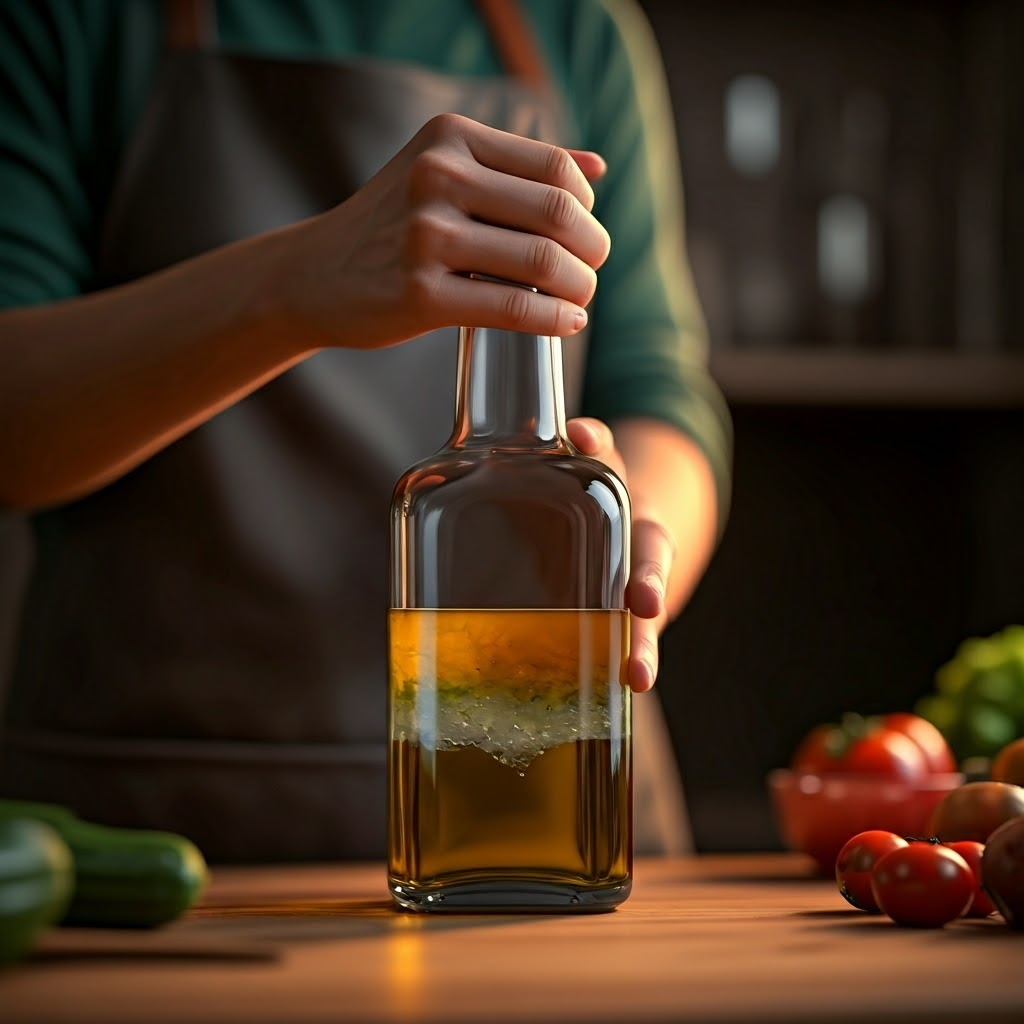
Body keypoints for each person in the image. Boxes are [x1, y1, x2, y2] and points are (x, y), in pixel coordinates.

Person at [0, 0, 732, 861]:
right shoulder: (66, 19)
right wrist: (298, 280)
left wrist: (631, 533)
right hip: (148, 819)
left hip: (545, 802)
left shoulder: (581, 27)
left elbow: (659, 391)